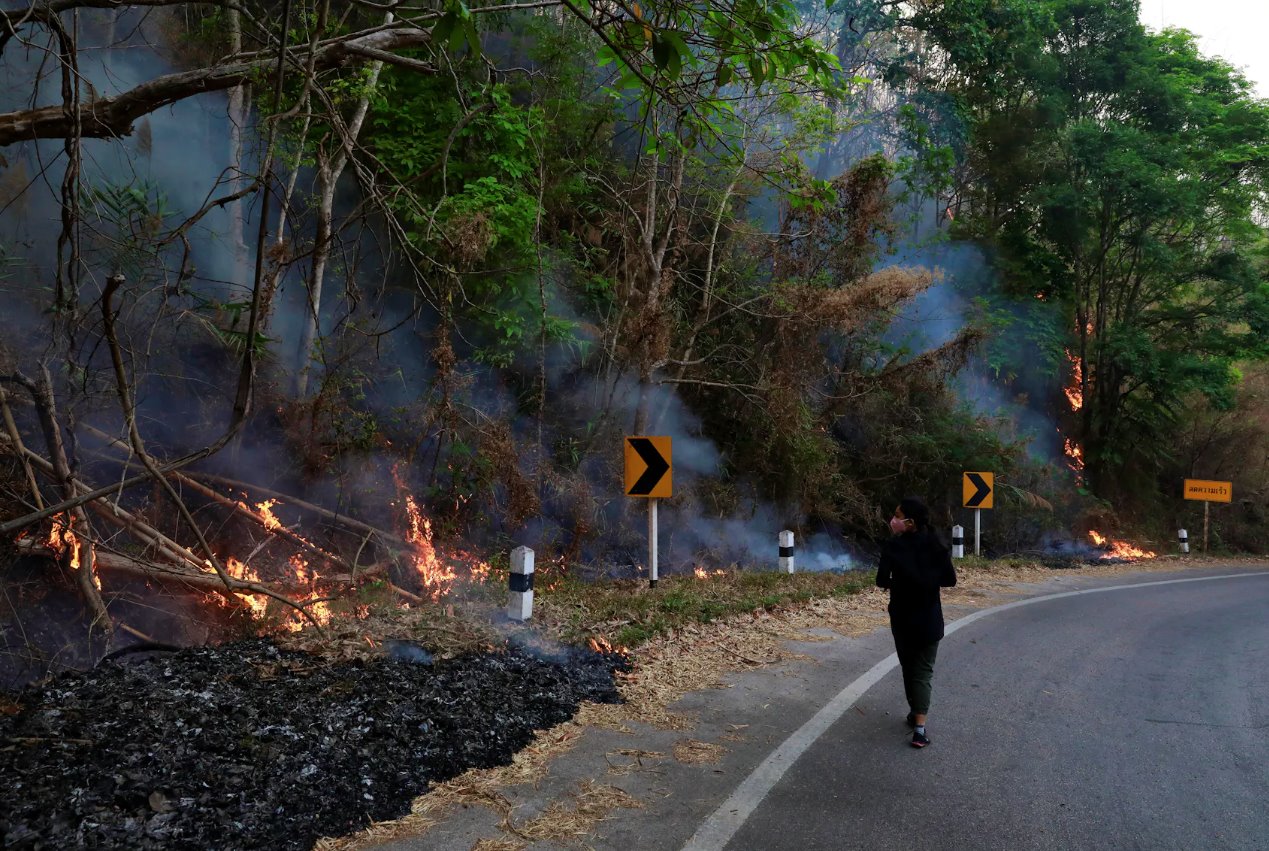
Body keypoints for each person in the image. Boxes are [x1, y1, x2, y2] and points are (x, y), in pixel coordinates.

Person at [876, 496, 957, 748]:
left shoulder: (893, 546)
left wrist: (900, 583)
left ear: (910, 523)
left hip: (901, 617)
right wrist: (927, 581)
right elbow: (949, 580)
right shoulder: (937, 545)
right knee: (923, 671)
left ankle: (915, 712)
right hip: (930, 619)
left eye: (898, 516)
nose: (894, 519)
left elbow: (881, 580)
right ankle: (919, 728)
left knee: (909, 667)